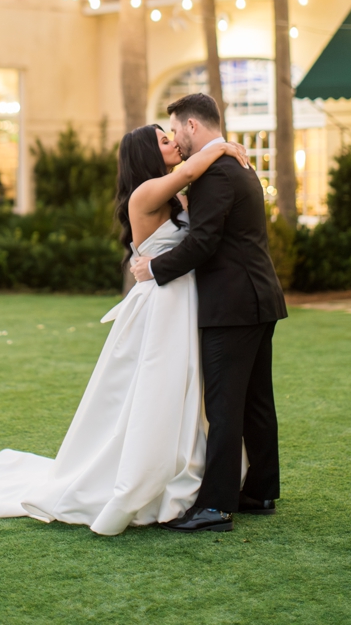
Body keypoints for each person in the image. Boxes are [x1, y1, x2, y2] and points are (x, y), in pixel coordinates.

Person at [0, 119, 250, 535]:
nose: (173, 143)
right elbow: (188, 171)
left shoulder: (175, 196)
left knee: (182, 391)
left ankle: (186, 473)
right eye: (164, 140)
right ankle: (144, 476)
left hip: (180, 301)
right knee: (156, 391)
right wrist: (222, 146)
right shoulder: (146, 193)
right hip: (161, 306)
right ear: (146, 154)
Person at [130, 92, 287, 532]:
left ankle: (215, 506)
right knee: (255, 399)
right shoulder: (233, 163)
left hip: (233, 305)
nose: (176, 139)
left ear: (192, 126)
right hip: (256, 299)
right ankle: (259, 491)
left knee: (224, 404)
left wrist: (152, 269)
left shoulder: (217, 172)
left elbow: (204, 243)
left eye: (176, 129)